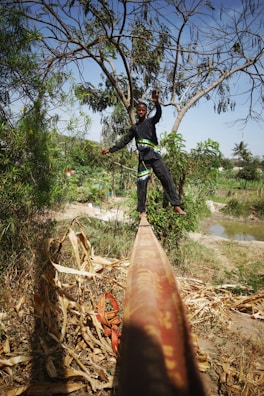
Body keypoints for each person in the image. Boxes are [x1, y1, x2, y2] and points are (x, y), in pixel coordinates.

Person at [102, 91, 186, 217]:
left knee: (167, 179)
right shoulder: (134, 128)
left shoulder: (151, 122)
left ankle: (176, 205)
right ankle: (142, 211)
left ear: (146, 111)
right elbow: (124, 141)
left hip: (155, 157)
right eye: (139, 110)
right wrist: (110, 150)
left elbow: (158, 114)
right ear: (137, 111)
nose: (141, 112)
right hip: (144, 160)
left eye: (143, 110)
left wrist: (157, 103)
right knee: (142, 185)